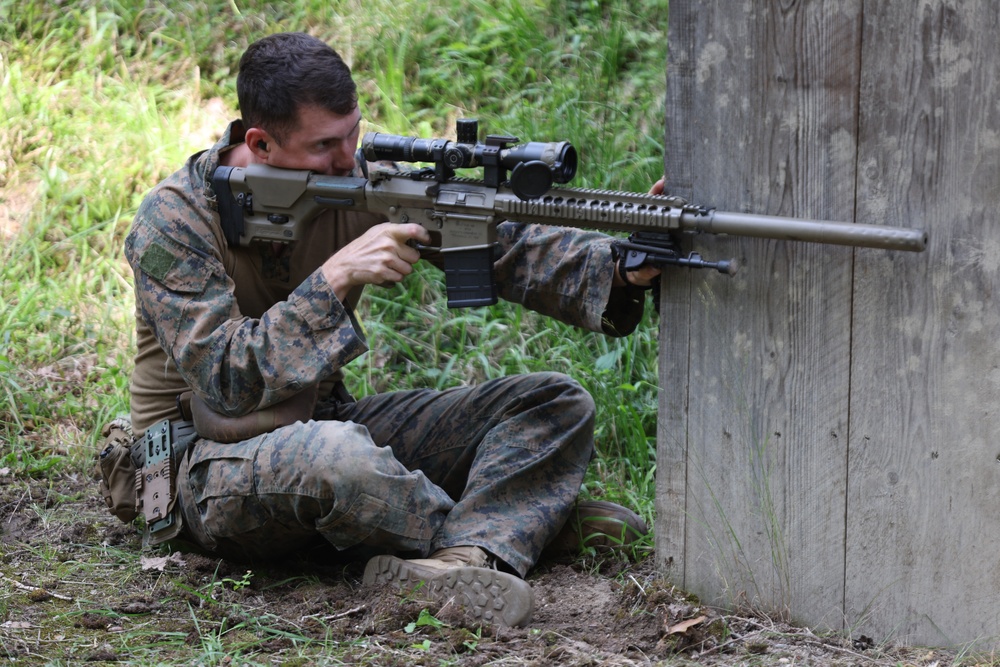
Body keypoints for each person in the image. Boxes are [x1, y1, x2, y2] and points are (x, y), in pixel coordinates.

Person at [121, 32, 659, 628]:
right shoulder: (174, 220)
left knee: (554, 402)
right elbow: (226, 380)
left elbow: (500, 244)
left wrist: (622, 267)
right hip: (186, 466)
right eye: (325, 144)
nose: (348, 156)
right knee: (338, 460)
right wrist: (335, 278)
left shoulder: (358, 178)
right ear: (260, 142)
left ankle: (469, 553)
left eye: (353, 131)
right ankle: (514, 528)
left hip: (316, 425)